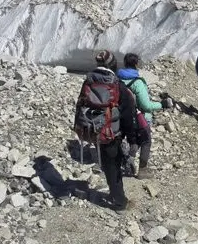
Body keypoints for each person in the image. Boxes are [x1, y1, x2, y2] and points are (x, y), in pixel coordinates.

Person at [74, 50, 137, 211]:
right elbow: (128, 114)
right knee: (114, 165)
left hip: (94, 130)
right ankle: (120, 202)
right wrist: (132, 139)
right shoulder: (117, 86)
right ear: (113, 65)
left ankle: (115, 194)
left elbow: (81, 104)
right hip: (113, 132)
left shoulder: (88, 82)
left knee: (108, 164)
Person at [117, 53, 174, 179]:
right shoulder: (137, 83)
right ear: (136, 64)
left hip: (122, 118)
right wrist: (162, 104)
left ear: (125, 64)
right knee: (146, 141)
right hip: (139, 118)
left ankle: (128, 160)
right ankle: (143, 170)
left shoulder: (118, 80)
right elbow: (146, 105)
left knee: (135, 140)